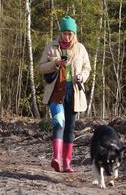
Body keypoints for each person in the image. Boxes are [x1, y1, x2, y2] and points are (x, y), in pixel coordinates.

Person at [39, 15, 91, 173]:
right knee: (58, 122)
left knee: (69, 127)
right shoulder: (51, 46)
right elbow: (41, 67)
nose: (66, 36)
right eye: (64, 33)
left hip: (74, 92)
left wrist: (82, 76)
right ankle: (56, 158)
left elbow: (87, 68)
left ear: (74, 34)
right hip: (56, 91)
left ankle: (67, 162)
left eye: (69, 33)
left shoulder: (80, 48)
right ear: (60, 32)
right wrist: (55, 63)